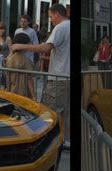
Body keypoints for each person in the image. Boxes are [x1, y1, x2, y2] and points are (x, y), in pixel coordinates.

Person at [10, 4, 70, 146]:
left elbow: (45, 48)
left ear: (57, 14)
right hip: (66, 77)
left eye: (50, 17)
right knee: (64, 112)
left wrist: (21, 46)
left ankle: (47, 142)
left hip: (59, 77)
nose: (50, 20)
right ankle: (64, 139)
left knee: (49, 111)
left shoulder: (61, 27)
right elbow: (62, 53)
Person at [6, 33, 36, 100]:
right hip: (24, 92)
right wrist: (34, 96)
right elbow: (29, 80)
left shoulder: (9, 59)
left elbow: (8, 78)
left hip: (12, 91)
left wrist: (8, 91)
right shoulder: (26, 60)